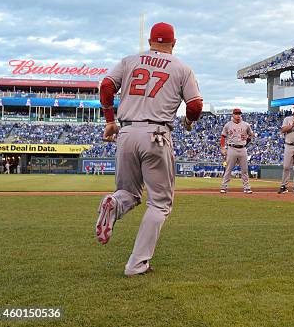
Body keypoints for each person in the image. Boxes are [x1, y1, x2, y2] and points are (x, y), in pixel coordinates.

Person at [95, 22, 203, 277]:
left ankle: (113, 202)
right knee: (160, 203)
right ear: (173, 43)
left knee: (128, 193)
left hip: (126, 131)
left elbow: (106, 86)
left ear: (151, 42)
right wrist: (187, 121)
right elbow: (196, 105)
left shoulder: (129, 60)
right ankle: (137, 263)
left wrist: (110, 121)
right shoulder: (182, 67)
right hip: (157, 134)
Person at [220, 108, 254, 194]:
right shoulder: (228, 125)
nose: (238, 115)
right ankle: (224, 186)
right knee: (228, 169)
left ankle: (246, 187)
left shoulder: (246, 125)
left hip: (242, 148)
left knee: (245, 169)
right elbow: (223, 136)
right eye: (236, 114)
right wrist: (223, 147)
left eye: (239, 114)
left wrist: (247, 142)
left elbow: (251, 134)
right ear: (233, 115)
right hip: (232, 148)